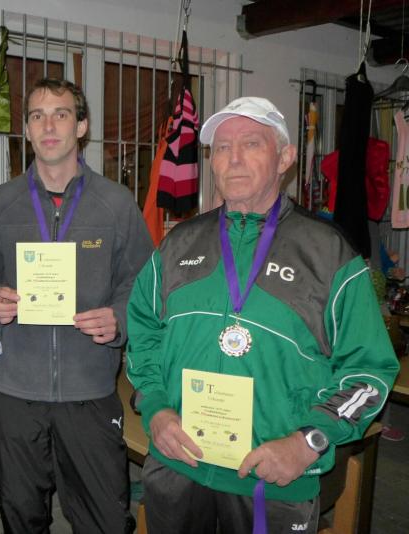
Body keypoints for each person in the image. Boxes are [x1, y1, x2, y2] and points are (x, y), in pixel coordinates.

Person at [126, 96, 400, 534]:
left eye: (251, 143)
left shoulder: (327, 253)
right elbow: (143, 334)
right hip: (179, 465)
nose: (233, 158)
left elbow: (369, 370)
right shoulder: (178, 245)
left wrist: (309, 441)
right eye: (222, 147)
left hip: (272, 477)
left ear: (285, 158)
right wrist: (156, 407)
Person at [0, 78, 152, 533]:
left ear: (82, 126)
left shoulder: (116, 203)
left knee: (104, 521)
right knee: (21, 518)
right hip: (12, 393)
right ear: (27, 130)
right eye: (37, 116)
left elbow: (144, 282)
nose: (48, 126)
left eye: (61, 114)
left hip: (89, 392)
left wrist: (119, 318)